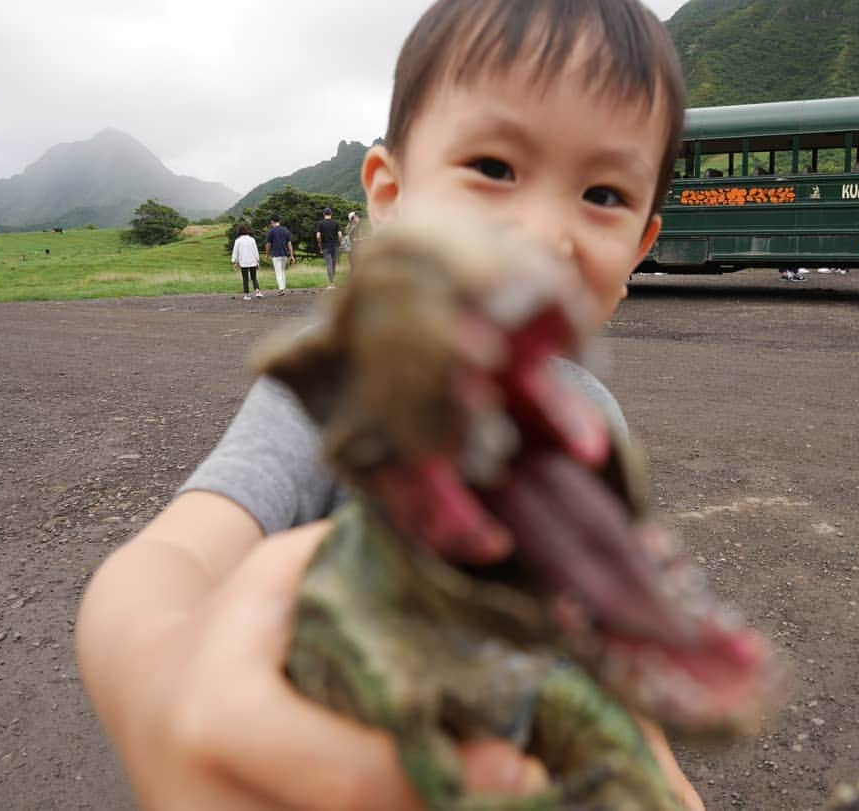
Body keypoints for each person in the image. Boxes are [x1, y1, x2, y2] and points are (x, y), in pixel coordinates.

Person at [75, 2, 705, 810]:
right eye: (495, 167)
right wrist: (154, 682)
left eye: (604, 193)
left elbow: (598, 644)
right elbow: (171, 560)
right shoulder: (343, 391)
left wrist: (662, 775)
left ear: (639, 250)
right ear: (392, 194)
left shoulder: (590, 421)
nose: (546, 233)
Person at [230, 224, 262, 300]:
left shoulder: (238, 241)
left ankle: (247, 295)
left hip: (243, 262)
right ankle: (257, 291)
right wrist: (257, 260)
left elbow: (235, 252)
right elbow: (255, 251)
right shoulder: (252, 239)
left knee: (245, 278)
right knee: (254, 277)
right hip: (252, 261)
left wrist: (234, 261)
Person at [265, 215, 295, 295]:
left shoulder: (271, 231)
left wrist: (267, 254)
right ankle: (283, 288)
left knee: (278, 272)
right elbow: (289, 244)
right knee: (282, 271)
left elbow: (268, 244)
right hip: (285, 255)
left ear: (272, 221)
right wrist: (291, 255)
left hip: (276, 255)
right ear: (279, 221)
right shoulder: (285, 230)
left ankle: (281, 290)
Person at [315, 207, 341, 288]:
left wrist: (320, 244)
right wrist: (339, 243)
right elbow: (340, 235)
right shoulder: (336, 223)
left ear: (323, 214)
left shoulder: (320, 223)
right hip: (335, 246)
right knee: (333, 265)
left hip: (325, 246)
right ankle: (333, 283)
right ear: (331, 214)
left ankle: (331, 283)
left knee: (329, 264)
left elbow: (318, 236)